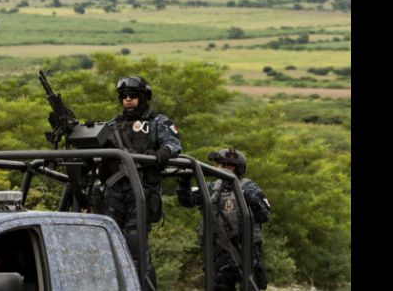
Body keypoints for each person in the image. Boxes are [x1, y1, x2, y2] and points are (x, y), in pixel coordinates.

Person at [99, 75, 182, 290]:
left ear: (143, 98)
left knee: (136, 244)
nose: (128, 100)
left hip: (141, 189)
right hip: (114, 191)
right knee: (107, 242)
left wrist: (162, 153)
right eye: (124, 96)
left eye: (133, 96)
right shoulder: (112, 124)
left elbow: (173, 144)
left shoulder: (157, 122)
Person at [176, 148, 271, 290]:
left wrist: (250, 199)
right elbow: (187, 200)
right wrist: (184, 181)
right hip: (218, 253)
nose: (213, 168)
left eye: (217, 165)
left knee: (251, 286)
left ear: (231, 167)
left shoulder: (250, 188)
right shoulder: (211, 188)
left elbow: (264, 216)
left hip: (245, 253)